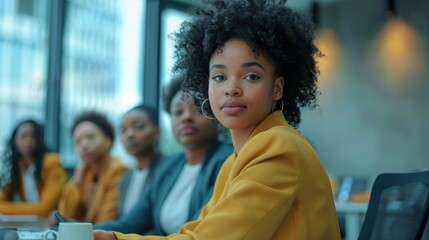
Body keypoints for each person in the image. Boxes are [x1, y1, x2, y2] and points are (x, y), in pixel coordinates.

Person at [94, 0, 340, 239]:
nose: (231, 89)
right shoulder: (233, 163)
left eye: (251, 76)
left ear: (277, 88)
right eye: (220, 77)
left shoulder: (278, 147)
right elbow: (195, 232)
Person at [94, 74, 233, 235]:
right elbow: (129, 224)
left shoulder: (228, 160)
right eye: (178, 112)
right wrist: (69, 231)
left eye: (197, 109)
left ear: (215, 114)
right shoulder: (168, 167)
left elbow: (200, 232)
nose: (186, 117)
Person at [54, 111, 128, 224]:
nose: (83, 145)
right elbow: (64, 215)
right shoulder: (85, 172)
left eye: (91, 137)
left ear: (108, 141)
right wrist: (76, 182)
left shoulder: (118, 170)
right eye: (78, 141)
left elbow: (106, 222)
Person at [0, 119, 67, 216]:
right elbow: (3, 197)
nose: (28, 141)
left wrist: (3, 207)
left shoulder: (53, 164)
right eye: (23, 136)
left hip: (53, 225)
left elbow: (44, 209)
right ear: (14, 140)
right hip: (31, 225)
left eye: (33, 136)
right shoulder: (18, 166)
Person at [118, 104, 162, 216]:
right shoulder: (125, 179)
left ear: (157, 133)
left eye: (139, 126)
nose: (130, 135)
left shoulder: (168, 171)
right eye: (123, 130)